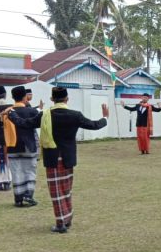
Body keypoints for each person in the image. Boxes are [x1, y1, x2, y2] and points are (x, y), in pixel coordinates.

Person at [7, 87, 109, 233]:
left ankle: (61, 223)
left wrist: (11, 113)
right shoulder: (75, 115)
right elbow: (94, 125)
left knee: (56, 192)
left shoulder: (45, 115)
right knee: (66, 190)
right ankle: (66, 219)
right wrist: (105, 117)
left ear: (51, 99)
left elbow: (24, 123)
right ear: (67, 99)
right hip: (67, 158)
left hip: (52, 158)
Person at [0, 86, 39, 207]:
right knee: (29, 171)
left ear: (13, 98)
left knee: (16, 172)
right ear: (25, 97)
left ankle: (18, 199)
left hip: (12, 147)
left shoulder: (7, 112)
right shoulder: (32, 111)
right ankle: (28, 196)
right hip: (28, 146)